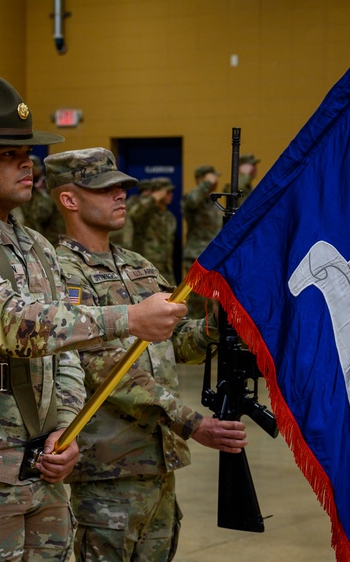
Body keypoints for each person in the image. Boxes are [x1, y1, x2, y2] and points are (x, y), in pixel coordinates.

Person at [0, 76, 188, 562]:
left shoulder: (35, 246)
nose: (25, 164)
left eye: (26, 153)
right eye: (7, 155)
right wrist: (128, 318)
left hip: (46, 464)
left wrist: (66, 430)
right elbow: (10, 321)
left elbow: (65, 356)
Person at [44, 148, 248, 562]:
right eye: (105, 189)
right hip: (109, 470)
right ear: (69, 199)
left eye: (122, 187)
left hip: (160, 464)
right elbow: (102, 367)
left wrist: (217, 321)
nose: (120, 195)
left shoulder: (137, 265)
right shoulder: (57, 273)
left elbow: (178, 344)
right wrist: (193, 424)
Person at [181, 164, 221, 318]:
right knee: (198, 302)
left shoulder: (214, 203)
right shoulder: (192, 200)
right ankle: (193, 336)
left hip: (214, 258)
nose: (214, 181)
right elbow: (192, 201)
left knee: (213, 302)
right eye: (211, 178)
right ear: (200, 179)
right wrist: (206, 183)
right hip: (197, 257)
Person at [130, 177, 177, 285]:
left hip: (166, 270)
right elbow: (134, 214)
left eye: (171, 192)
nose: (170, 195)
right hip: (145, 269)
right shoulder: (146, 214)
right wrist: (153, 198)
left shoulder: (169, 217)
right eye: (167, 192)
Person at [13, 154, 64, 244]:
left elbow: (57, 225)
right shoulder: (13, 195)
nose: (31, 172)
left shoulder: (48, 196)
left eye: (35, 169)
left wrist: (46, 245)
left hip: (44, 245)